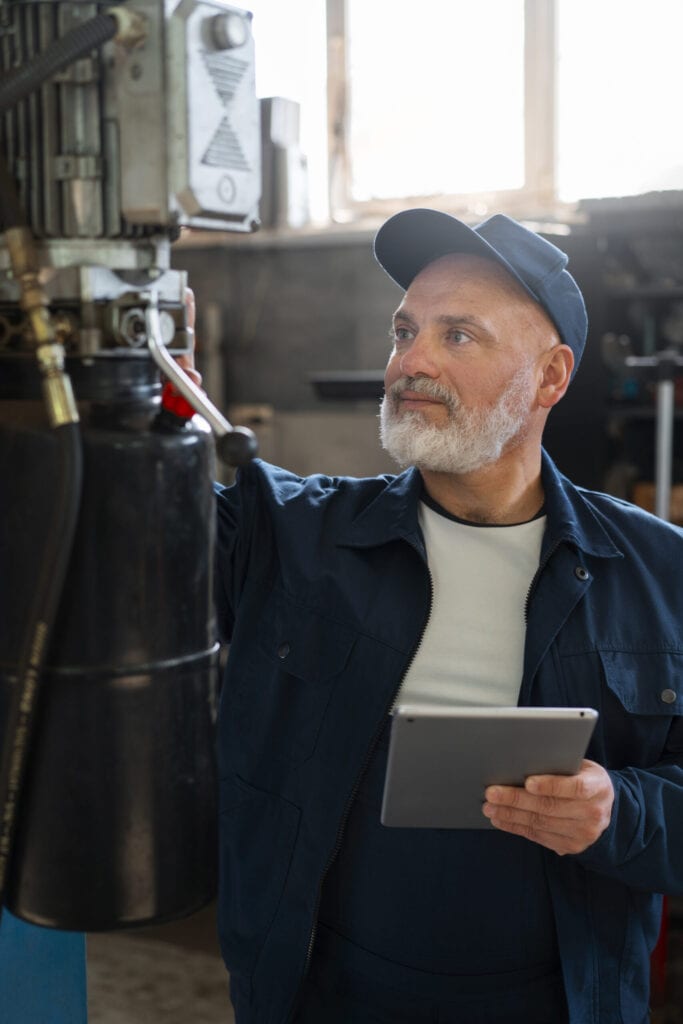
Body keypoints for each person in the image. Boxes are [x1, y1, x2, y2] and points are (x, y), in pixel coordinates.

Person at [183, 209, 683, 1024]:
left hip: (553, 1002)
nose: (407, 363)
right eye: (403, 330)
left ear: (550, 378)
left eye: (457, 336)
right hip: (321, 994)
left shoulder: (662, 574)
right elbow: (127, 538)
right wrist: (153, 405)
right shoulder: (289, 536)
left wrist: (619, 810)